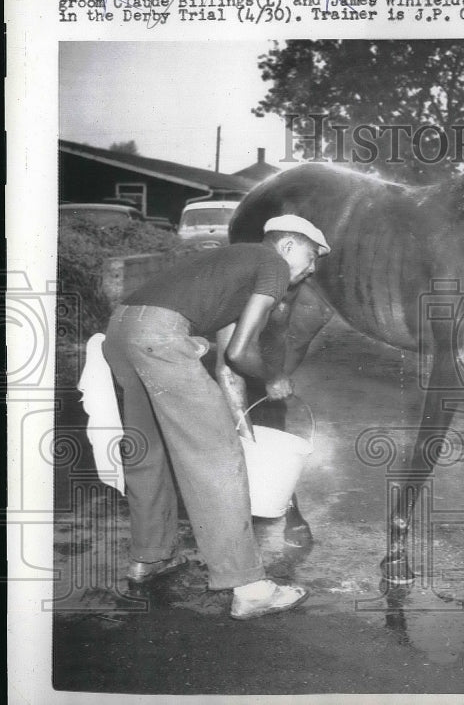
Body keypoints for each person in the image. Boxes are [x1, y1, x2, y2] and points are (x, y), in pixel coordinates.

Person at [103, 214, 331, 620]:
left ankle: (150, 558)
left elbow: (228, 365)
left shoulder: (232, 270)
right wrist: (276, 377)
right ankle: (249, 586)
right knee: (217, 461)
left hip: (121, 329)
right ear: (289, 246)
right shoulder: (272, 265)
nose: (312, 269)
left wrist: (244, 429)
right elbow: (245, 353)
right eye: (312, 257)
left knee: (148, 450)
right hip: (160, 336)